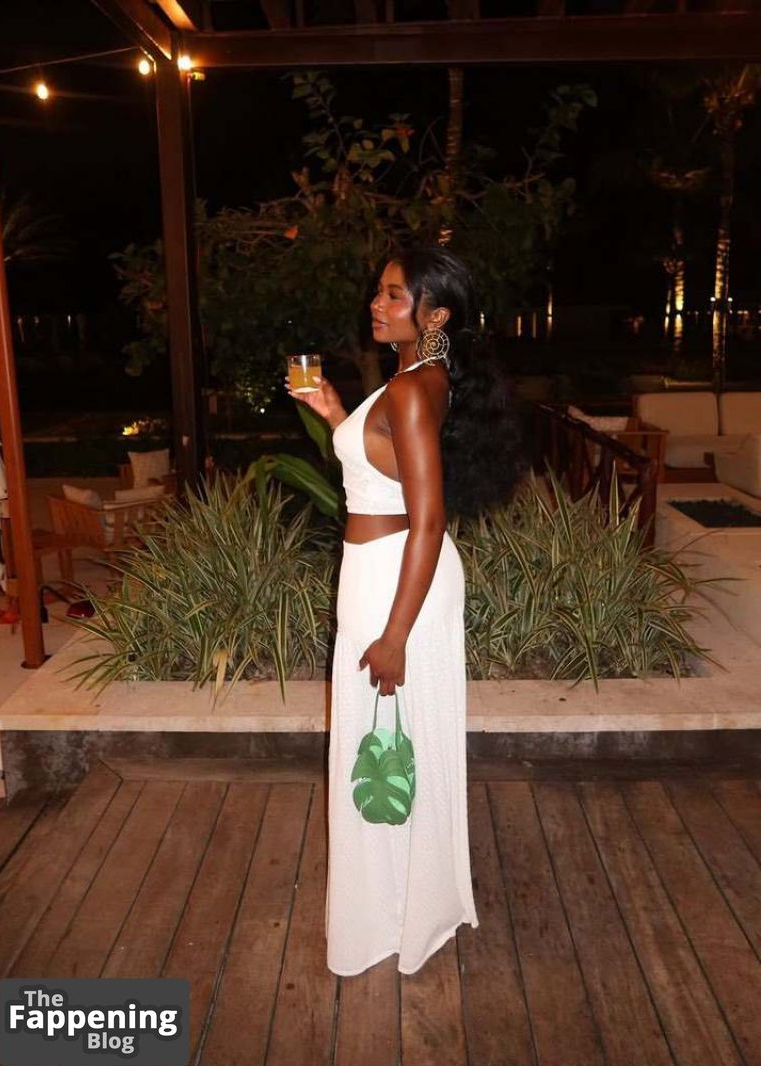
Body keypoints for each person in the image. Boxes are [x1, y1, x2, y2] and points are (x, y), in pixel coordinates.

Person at [286, 246, 525, 976]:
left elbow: (428, 518)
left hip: (400, 580)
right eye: (381, 291)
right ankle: (392, 899)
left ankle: (400, 908)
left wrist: (395, 634)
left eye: (396, 295)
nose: (377, 303)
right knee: (387, 743)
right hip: (380, 572)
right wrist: (333, 413)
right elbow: (379, 473)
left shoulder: (415, 388)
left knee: (388, 744)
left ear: (436, 315)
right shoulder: (407, 381)